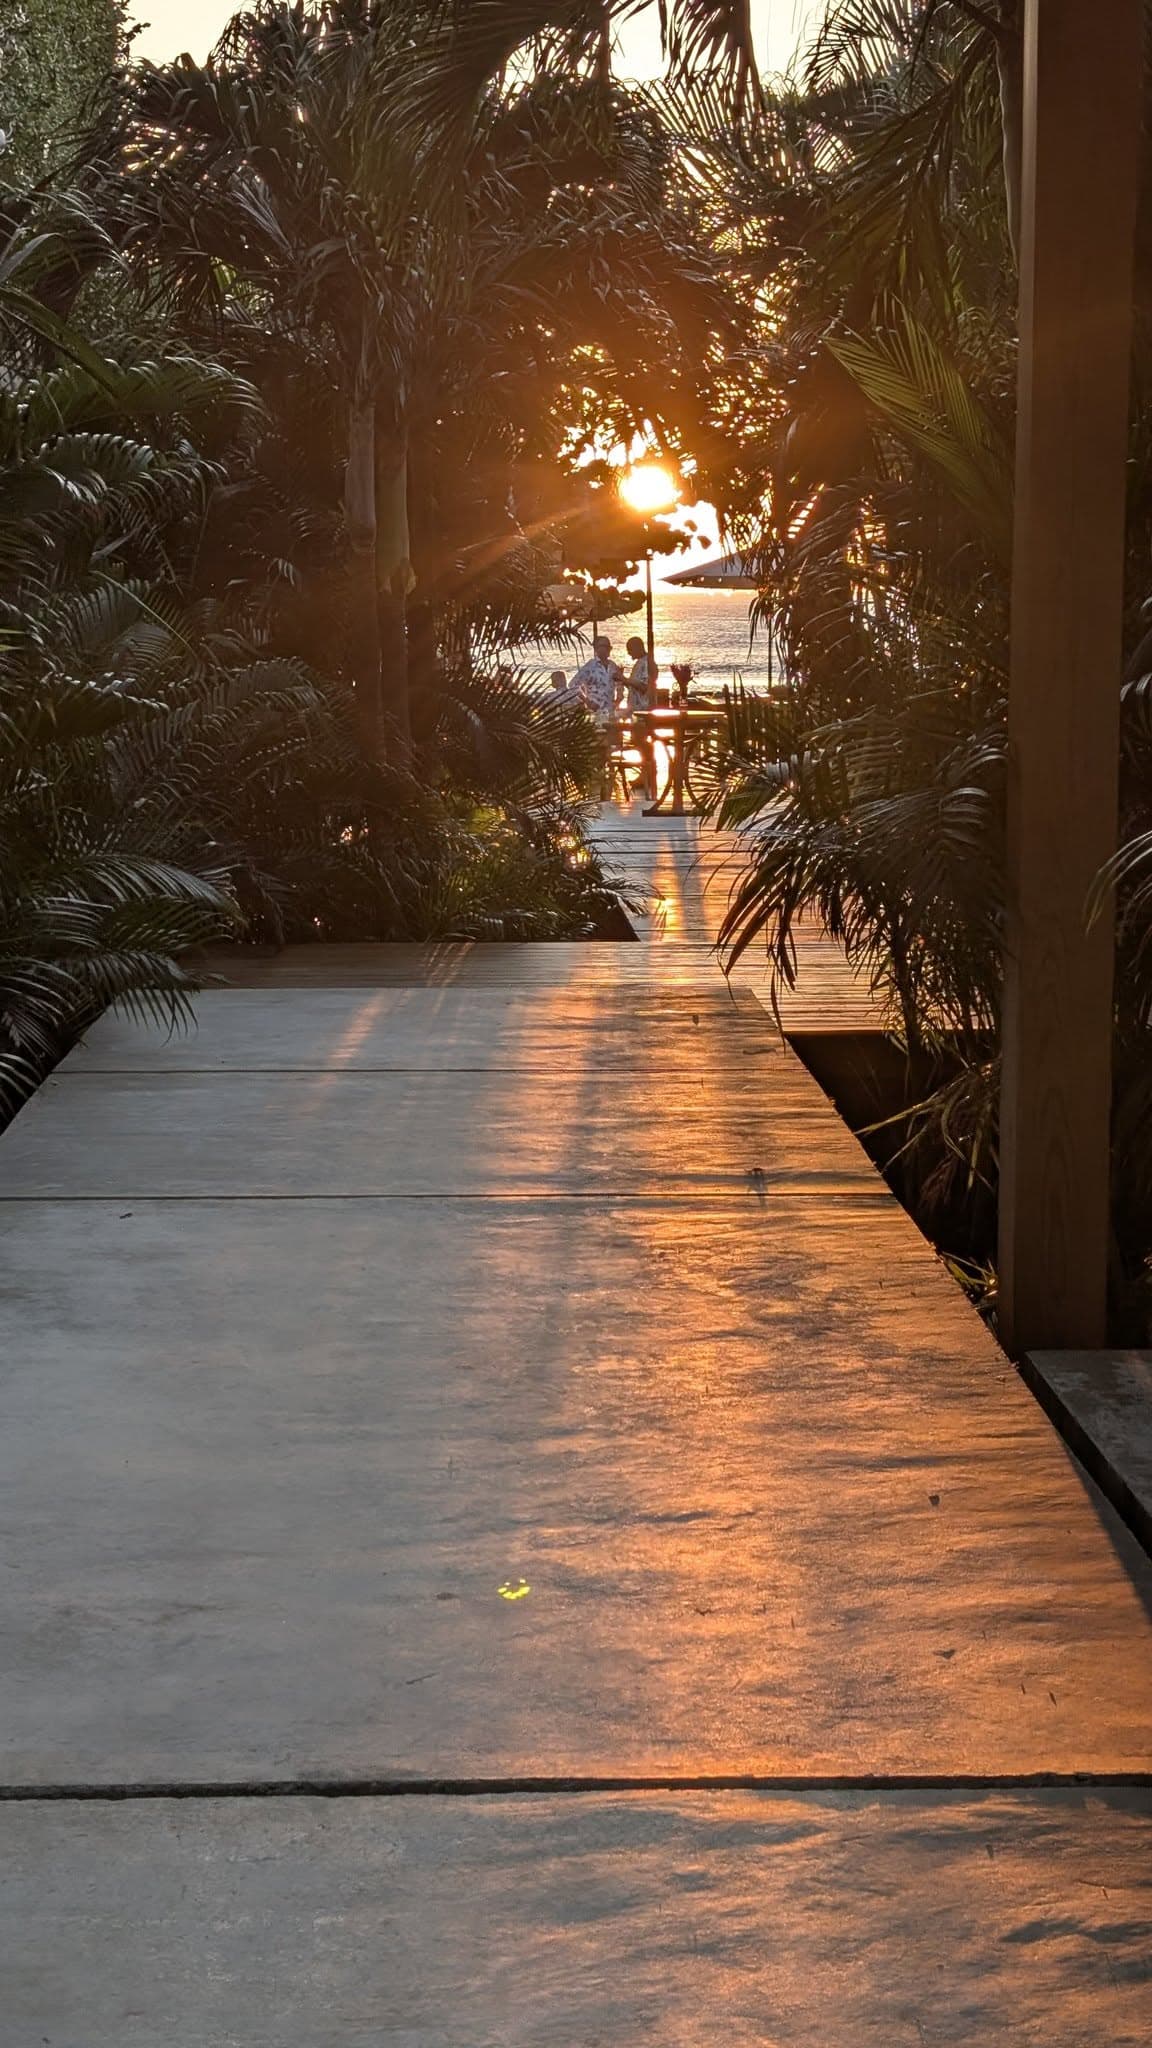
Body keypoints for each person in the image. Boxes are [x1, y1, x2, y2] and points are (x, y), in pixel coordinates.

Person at [570, 636, 621, 726]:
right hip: (596, 712)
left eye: (609, 647)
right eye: (605, 646)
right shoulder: (590, 666)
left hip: (611, 712)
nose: (608, 649)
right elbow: (573, 685)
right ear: (597, 648)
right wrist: (588, 702)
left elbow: (619, 683)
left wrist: (618, 699)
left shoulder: (613, 665)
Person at [624, 635, 657, 713]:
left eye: (630, 649)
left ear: (637, 648)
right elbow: (634, 686)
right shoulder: (639, 662)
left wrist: (624, 679)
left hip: (643, 709)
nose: (628, 653)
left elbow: (644, 687)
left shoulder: (647, 662)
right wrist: (624, 681)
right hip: (635, 708)